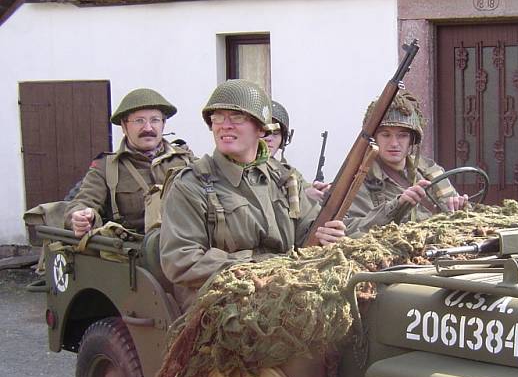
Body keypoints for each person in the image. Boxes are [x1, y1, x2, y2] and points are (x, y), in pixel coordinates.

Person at [159, 79, 345, 310]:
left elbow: (308, 232)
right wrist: (265, 265)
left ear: (260, 128)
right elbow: (182, 261)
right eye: (217, 117)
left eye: (237, 117)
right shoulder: (191, 184)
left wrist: (326, 235)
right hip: (220, 301)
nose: (225, 125)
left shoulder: (284, 178)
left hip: (282, 292)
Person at [65, 88, 193, 237]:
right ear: (124, 126)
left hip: (186, 248)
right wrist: (83, 217)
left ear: (163, 124)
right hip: (135, 253)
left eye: (155, 120)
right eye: (139, 121)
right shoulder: (106, 167)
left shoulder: (186, 160)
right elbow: (83, 202)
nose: (148, 128)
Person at [344, 91, 468, 237]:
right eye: (386, 135)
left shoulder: (429, 170)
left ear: (412, 140)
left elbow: (457, 219)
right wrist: (396, 206)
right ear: (374, 139)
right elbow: (350, 230)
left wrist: (459, 209)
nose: (394, 143)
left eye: (402, 135)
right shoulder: (359, 179)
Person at [265, 99, 330, 203]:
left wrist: (319, 190)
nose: (268, 138)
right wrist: (302, 196)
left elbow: (303, 186)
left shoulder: (285, 171)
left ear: (283, 139)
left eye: (275, 133)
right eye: (263, 131)